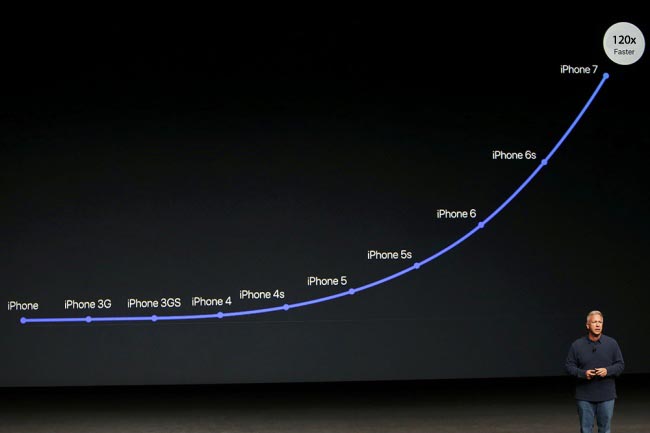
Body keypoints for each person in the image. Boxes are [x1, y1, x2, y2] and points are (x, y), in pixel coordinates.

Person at [565, 310, 624, 433]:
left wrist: (607, 370)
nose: (597, 325)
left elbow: (620, 365)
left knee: (605, 430)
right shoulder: (577, 345)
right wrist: (583, 373)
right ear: (587, 325)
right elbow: (569, 366)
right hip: (584, 396)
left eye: (600, 322)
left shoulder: (612, 343)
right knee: (586, 430)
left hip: (606, 396)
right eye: (594, 322)